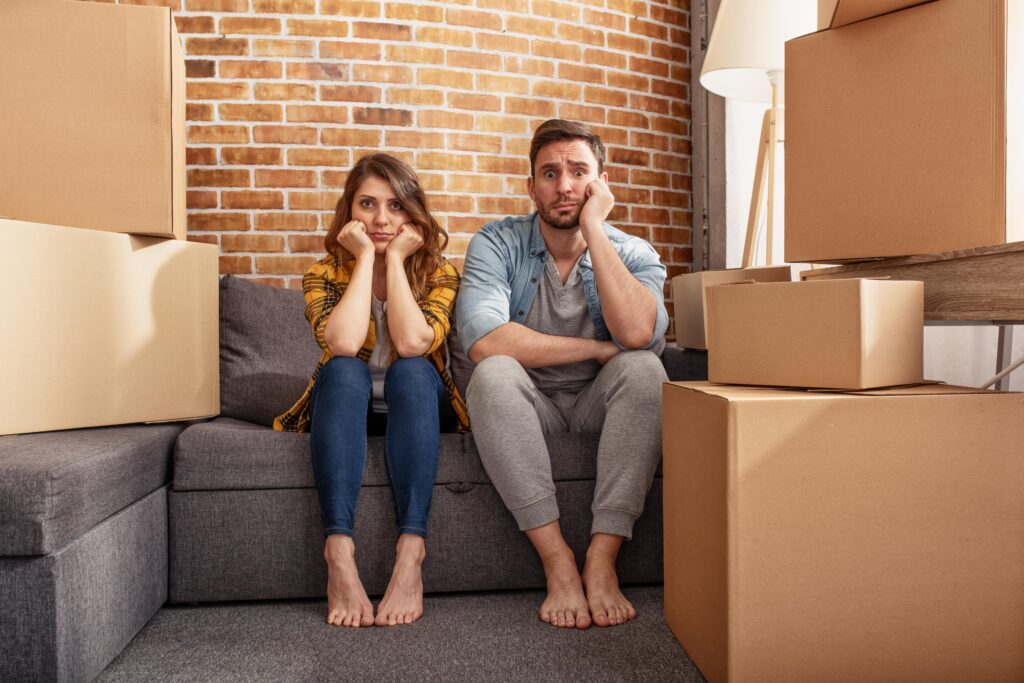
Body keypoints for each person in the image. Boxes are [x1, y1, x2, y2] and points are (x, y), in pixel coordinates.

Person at [456, 119, 669, 630]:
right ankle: (558, 562)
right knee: (493, 372)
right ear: (531, 186)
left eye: (578, 172)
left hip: (602, 405)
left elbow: (639, 333)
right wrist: (595, 348)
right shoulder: (495, 243)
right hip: (532, 407)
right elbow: (484, 339)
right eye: (549, 174)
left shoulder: (635, 252)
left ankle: (601, 559)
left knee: (644, 368)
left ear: (601, 182)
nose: (565, 186)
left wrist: (595, 229)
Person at [274, 153, 469, 628]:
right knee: (343, 371)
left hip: (420, 402)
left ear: (413, 214)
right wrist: (365, 259)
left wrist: (398, 261)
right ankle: (338, 555)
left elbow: (412, 343)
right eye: (367, 204)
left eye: (396, 206)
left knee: (411, 369)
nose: (381, 219)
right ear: (349, 212)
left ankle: (411, 552)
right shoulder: (321, 274)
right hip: (349, 406)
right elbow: (341, 342)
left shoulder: (441, 273)